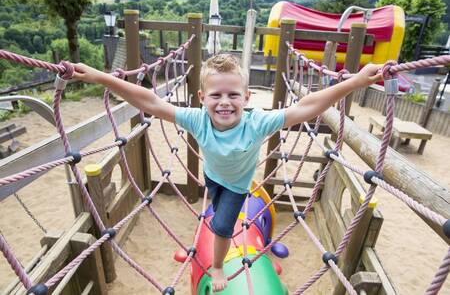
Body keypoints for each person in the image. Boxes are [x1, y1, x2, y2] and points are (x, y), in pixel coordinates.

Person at [73, 54, 382, 292]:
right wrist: (102, 78)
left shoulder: (257, 122)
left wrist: (355, 82)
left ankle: (218, 265)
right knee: (214, 208)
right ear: (201, 98)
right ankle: (214, 225)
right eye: (216, 95)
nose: (224, 102)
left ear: (246, 98)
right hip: (212, 177)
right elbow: (150, 102)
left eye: (233, 95)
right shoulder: (196, 119)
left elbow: (308, 106)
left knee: (222, 226)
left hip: (237, 185)